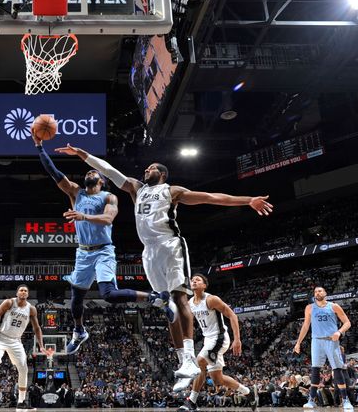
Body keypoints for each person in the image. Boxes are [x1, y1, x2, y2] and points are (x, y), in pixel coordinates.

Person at [54, 144, 273, 379]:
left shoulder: (172, 191)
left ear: (163, 174)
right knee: (167, 304)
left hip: (170, 245)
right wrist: (82, 154)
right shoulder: (136, 189)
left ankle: (190, 356)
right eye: (146, 168)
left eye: (151, 168)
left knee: (180, 298)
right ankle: (183, 362)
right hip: (149, 251)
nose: (146, 170)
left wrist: (248, 200)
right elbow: (107, 170)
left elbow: (211, 198)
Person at [34, 131, 167, 354]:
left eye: (94, 171)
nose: (90, 172)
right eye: (88, 171)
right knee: (75, 300)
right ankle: (79, 332)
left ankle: (153, 297)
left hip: (104, 251)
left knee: (109, 295)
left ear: (102, 181)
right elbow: (53, 172)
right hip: (83, 253)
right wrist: (39, 147)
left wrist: (83, 217)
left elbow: (108, 218)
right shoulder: (76, 192)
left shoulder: (108, 197)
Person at [179, 274, 257, 412]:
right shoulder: (190, 303)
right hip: (208, 340)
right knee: (218, 380)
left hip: (219, 338)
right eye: (192, 280)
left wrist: (237, 339)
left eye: (198, 280)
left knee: (200, 361)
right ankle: (248, 392)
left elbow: (232, 315)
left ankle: (191, 401)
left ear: (204, 285)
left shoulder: (211, 300)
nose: (194, 281)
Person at [0, 285, 45, 412]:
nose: (23, 292)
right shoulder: (9, 303)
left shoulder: (31, 309)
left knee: (23, 368)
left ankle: (21, 402)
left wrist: (41, 345)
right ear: (17, 293)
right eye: (21, 290)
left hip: (16, 341)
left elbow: (37, 328)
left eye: (26, 291)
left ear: (28, 294)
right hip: (1, 338)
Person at [293, 286, 354, 410]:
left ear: (325, 293)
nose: (317, 293)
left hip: (331, 340)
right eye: (315, 291)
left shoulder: (334, 306)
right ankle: (311, 400)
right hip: (316, 341)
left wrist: (339, 332)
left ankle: (345, 400)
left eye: (320, 291)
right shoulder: (309, 308)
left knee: (337, 370)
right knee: (315, 370)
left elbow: (347, 323)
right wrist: (298, 342)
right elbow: (305, 326)